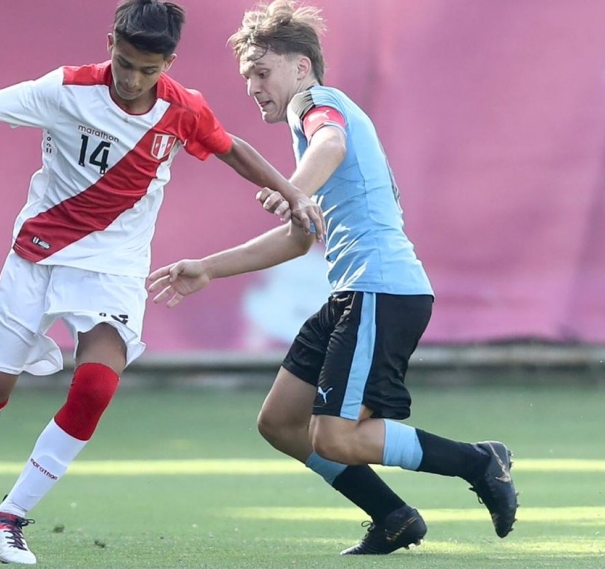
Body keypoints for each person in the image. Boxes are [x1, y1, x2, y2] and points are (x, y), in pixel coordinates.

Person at [0, 0, 325, 564]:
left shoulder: (182, 108)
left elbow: (232, 148)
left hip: (113, 269)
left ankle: (9, 517)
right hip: (36, 258)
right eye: (125, 63)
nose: (133, 80)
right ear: (110, 44)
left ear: (168, 64)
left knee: (95, 387)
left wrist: (292, 192)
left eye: (148, 70)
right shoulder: (65, 89)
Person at [148, 0, 518, 555]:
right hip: (355, 294)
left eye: (262, 72)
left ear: (301, 67)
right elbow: (298, 240)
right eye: (247, 76)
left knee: (335, 438)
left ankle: (478, 461)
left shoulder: (315, 104)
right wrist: (207, 268)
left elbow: (332, 142)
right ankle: (393, 517)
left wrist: (293, 188)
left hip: (381, 290)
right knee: (280, 422)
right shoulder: (307, 127)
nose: (252, 86)